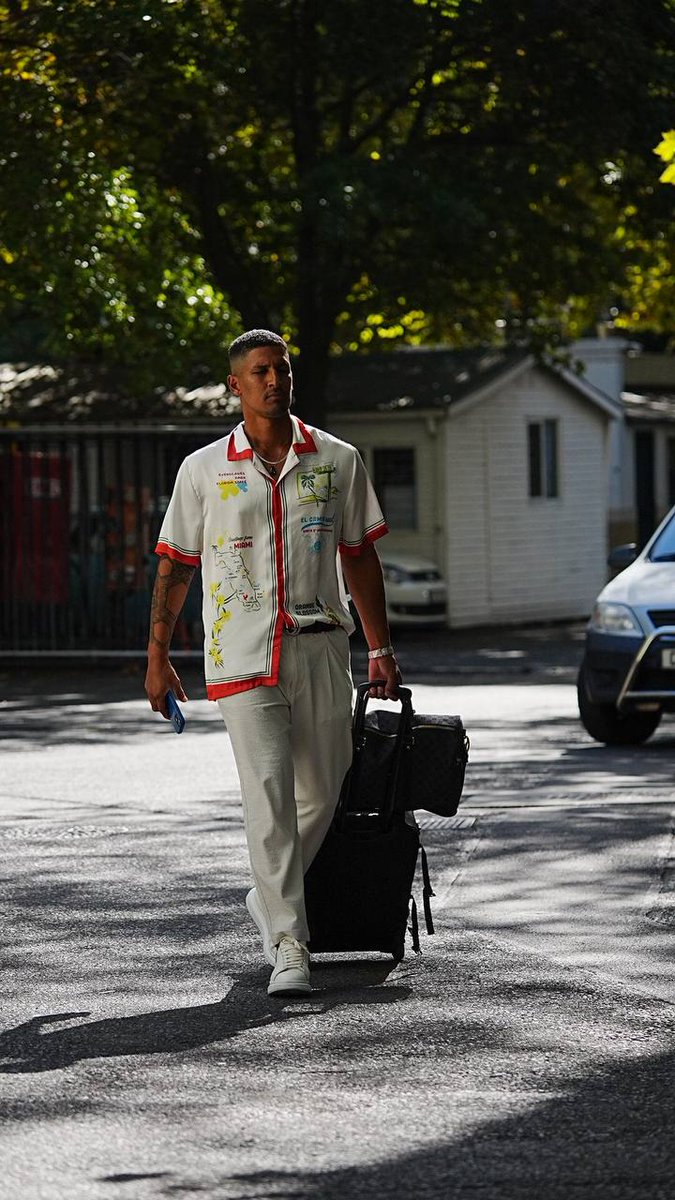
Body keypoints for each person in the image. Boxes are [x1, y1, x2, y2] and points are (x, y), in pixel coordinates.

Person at [145, 329, 401, 997]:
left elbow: (358, 556)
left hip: (319, 645)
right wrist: (157, 654)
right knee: (267, 794)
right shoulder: (202, 470)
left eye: (280, 368)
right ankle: (289, 943)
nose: (272, 380)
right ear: (236, 385)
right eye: (259, 371)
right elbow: (175, 564)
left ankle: (268, 896)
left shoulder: (336, 460)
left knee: (322, 787)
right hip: (240, 655)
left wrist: (379, 648)